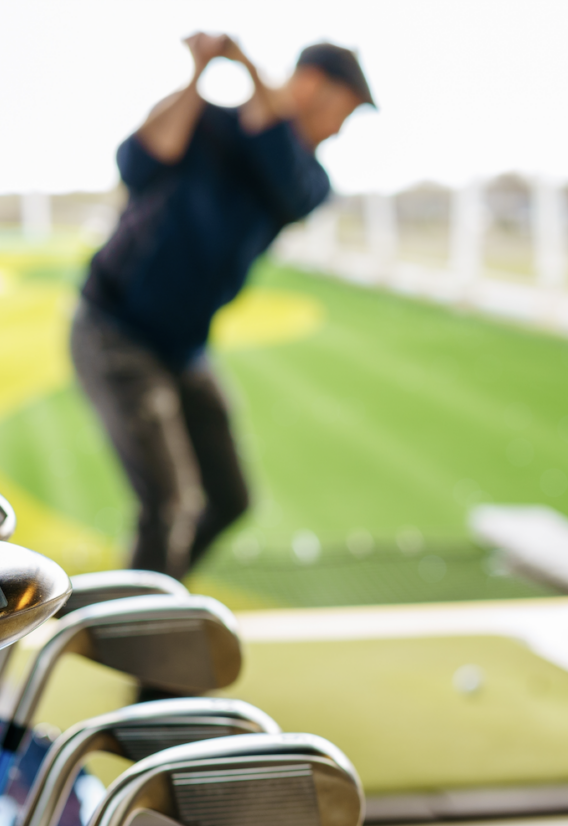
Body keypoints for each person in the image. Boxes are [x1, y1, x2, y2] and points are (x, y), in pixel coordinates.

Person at [71, 33, 374, 580]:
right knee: (169, 504)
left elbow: (281, 170)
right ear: (310, 86)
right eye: (342, 112)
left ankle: (150, 600)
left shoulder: (308, 178)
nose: (337, 130)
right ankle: (144, 623)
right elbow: (136, 161)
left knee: (229, 498)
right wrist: (200, 73)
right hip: (115, 329)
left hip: (183, 348)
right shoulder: (208, 123)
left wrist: (249, 68)